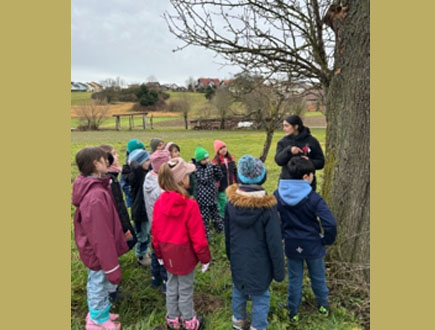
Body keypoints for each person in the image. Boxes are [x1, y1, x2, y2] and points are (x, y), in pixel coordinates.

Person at [224, 155, 285, 330]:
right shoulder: (268, 208)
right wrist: (279, 272)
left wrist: (231, 256)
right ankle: (257, 326)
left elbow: (228, 235)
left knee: (239, 290)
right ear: (262, 176)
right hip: (261, 263)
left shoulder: (230, 204)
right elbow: (274, 242)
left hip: (238, 258)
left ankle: (238, 321)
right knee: (260, 296)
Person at [274, 157, 337, 324]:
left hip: (292, 244)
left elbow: (274, 219)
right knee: (318, 276)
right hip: (313, 244)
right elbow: (329, 223)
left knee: (295, 278)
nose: (313, 177)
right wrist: (326, 240)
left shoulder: (278, 195)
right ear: (305, 177)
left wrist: (281, 234)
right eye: (312, 174)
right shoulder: (314, 198)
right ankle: (323, 306)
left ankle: (293, 312)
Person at [72, 147, 128, 330]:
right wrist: (112, 266)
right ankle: (97, 320)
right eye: (105, 160)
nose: (108, 162)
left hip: (97, 249)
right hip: (98, 251)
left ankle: (101, 312)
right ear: (96, 164)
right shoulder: (96, 197)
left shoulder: (97, 187)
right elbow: (100, 236)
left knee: (100, 280)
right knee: (97, 282)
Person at [152, 157, 211, 330]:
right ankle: (189, 321)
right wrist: (205, 258)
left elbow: (155, 232)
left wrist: (159, 254)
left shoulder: (158, 203)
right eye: (187, 175)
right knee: (185, 288)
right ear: (181, 180)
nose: (189, 178)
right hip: (185, 255)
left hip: (168, 253)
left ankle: (172, 319)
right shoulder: (190, 206)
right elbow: (198, 237)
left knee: (171, 285)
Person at [143, 149, 171, 294]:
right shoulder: (161, 188)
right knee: (165, 255)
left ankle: (156, 278)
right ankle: (167, 283)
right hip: (163, 227)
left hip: (153, 223)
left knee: (156, 252)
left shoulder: (148, 177)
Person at [274, 115, 324, 191]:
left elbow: (321, 162)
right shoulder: (283, 142)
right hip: (287, 183)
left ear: (296, 126)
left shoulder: (312, 141)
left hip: (306, 183)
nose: (284, 129)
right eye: (283, 126)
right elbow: (278, 161)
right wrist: (289, 151)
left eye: (286, 126)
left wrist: (309, 162)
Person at [121, 148, 152, 266]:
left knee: (146, 233)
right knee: (142, 235)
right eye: (146, 161)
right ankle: (141, 255)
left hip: (145, 210)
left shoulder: (143, 172)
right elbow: (135, 167)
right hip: (140, 211)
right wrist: (134, 162)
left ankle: (144, 251)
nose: (149, 163)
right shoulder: (137, 175)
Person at [193, 146, 224, 240]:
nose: (207, 161)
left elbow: (219, 177)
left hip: (212, 196)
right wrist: (210, 168)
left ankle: (220, 230)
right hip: (203, 200)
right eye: (204, 159)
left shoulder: (209, 167)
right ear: (199, 160)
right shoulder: (196, 169)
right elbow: (204, 180)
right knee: (204, 219)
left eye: (207, 158)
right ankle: (206, 235)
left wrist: (216, 168)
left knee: (216, 215)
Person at [211, 140, 238, 218]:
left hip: (231, 186)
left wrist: (237, 182)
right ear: (217, 151)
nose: (223, 149)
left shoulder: (231, 159)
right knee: (223, 203)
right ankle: (223, 218)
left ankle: (232, 216)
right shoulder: (215, 162)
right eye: (221, 148)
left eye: (224, 147)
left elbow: (235, 172)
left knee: (232, 202)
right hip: (221, 188)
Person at [121, 139, 146, 208]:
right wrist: (132, 197)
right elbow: (125, 185)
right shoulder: (127, 168)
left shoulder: (145, 163)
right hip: (134, 200)